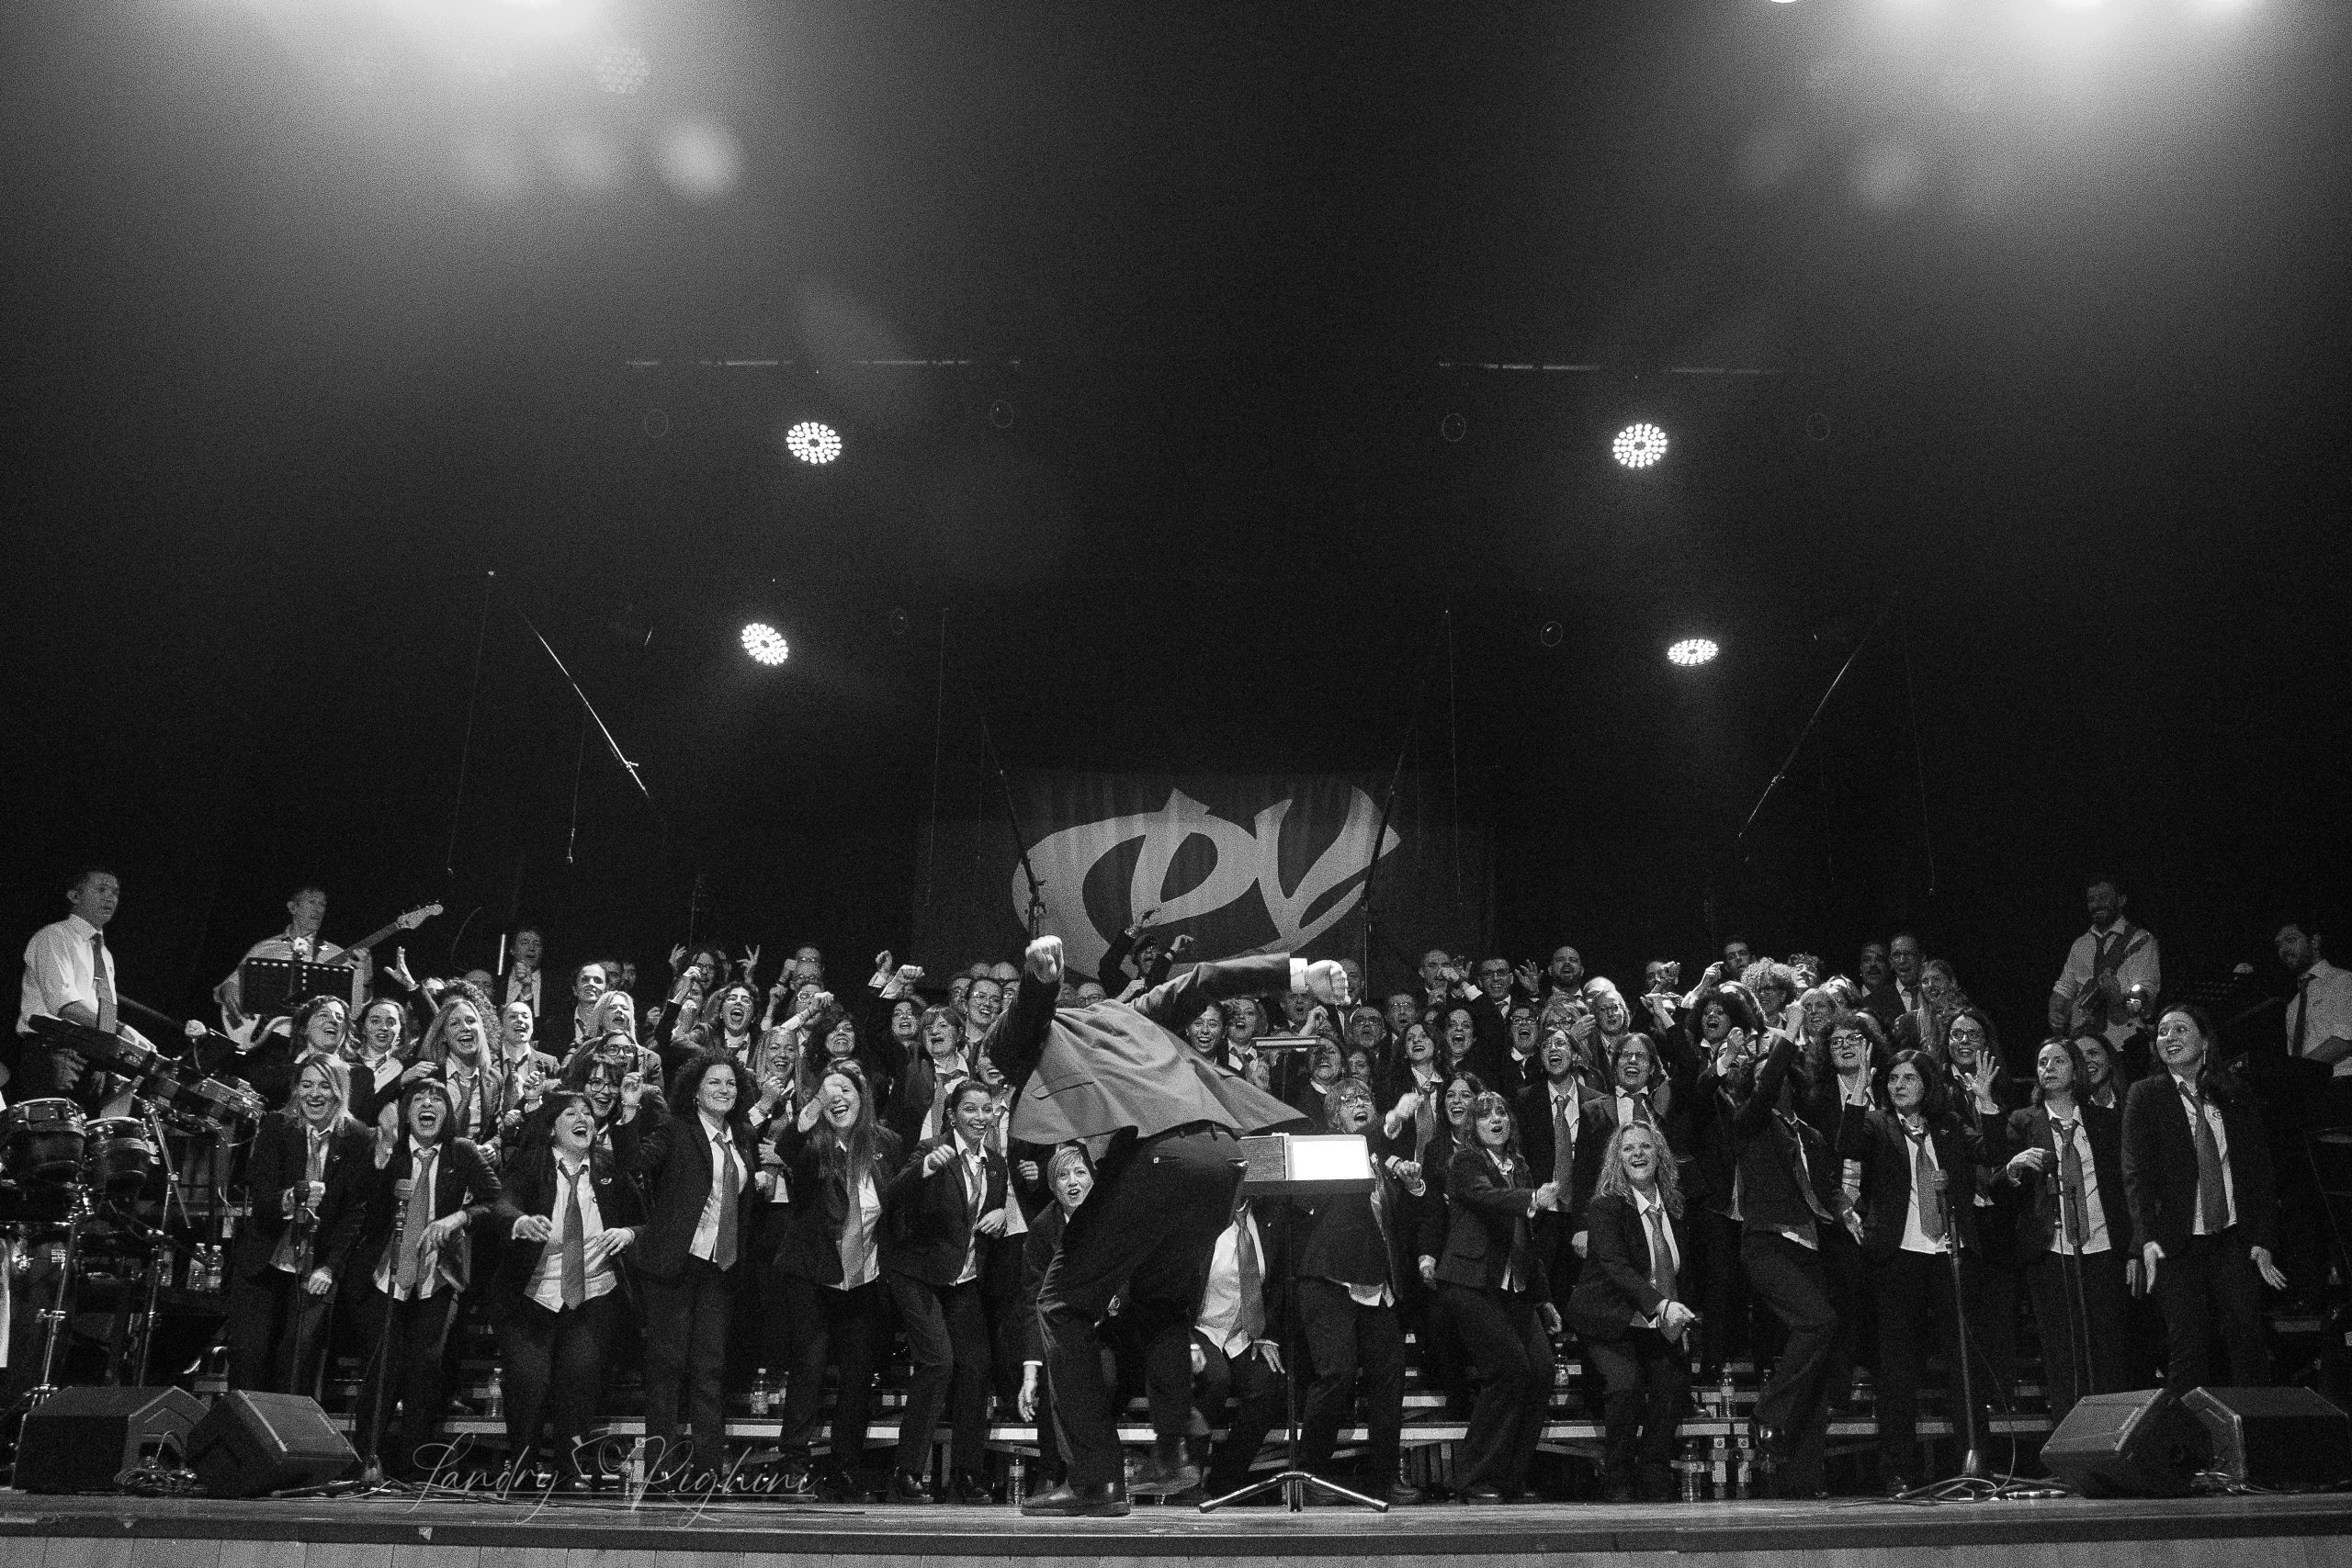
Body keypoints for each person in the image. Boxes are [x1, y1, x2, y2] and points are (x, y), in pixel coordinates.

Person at [979, 935, 1341, 1517]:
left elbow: (1015, 1028)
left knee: (1061, 1305)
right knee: (1162, 1303)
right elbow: (1204, 978)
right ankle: (1174, 1452)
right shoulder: (1129, 1014)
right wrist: (1298, 973)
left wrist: (1039, 980)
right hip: (1223, 1159)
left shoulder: (1042, 1030)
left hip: (1159, 1158)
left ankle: (1095, 1480)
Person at [1843, 1048, 2004, 1495]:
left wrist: (1986, 1103)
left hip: (1950, 1253)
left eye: (1908, 1078)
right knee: (1898, 1366)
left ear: (1927, 1084)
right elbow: (1849, 1147)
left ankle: (1974, 1462)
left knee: (1963, 1361)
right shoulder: (1877, 1124)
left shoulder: (1948, 1125)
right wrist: (1856, 1096)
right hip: (1899, 1256)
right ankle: (1898, 1468)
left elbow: (1992, 1151)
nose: (1898, 1085)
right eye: (1893, 1078)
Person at [611, 1050, 761, 1486]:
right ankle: (661, 1469)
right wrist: (629, 1112)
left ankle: (708, 1470)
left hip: (720, 1267)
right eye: (714, 1082)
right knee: (667, 1367)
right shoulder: (676, 1129)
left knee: (710, 1368)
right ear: (695, 1091)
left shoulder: (741, 1135)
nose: (723, 1089)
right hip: (674, 1265)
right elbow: (634, 1163)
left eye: (730, 1083)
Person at [2122, 1002, 2284, 1390]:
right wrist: (2146, 1239)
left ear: (2205, 1041)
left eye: (2180, 1029)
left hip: (2232, 1239)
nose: (2169, 1038)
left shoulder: (2234, 1093)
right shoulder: (2145, 1094)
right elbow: (2136, 1174)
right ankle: (2184, 1429)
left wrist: (2263, 1238)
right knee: (2188, 1346)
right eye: (2163, 1032)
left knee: (2247, 1337)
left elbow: (2259, 1172)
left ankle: (2251, 1424)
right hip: (2176, 1243)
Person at [351, 1077, 503, 1482]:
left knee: (424, 1372)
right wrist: (377, 1166)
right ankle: (365, 1463)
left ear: (448, 1113)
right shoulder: (391, 1152)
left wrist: (457, 1218)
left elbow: (495, 1201)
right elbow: (364, 1211)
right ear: (407, 1112)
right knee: (381, 1371)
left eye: (437, 1099)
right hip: (387, 1277)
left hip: (438, 1276)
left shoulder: (461, 1151)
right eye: (418, 1098)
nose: (428, 1104)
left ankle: (412, 1472)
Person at [490, 1088, 643, 1487]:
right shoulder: (531, 1164)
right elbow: (501, 1204)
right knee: (529, 1383)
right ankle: (521, 1470)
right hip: (531, 1297)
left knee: (580, 1385)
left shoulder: (609, 1168)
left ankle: (569, 1470)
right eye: (571, 1113)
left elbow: (647, 1220)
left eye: (588, 1113)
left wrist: (628, 1233)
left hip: (593, 1295)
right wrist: (520, 1222)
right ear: (551, 1129)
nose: (583, 1119)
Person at [1289, 1077, 1426, 1505]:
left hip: (1376, 1284)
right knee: (1337, 1374)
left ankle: (1383, 1479)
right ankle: (1310, 1475)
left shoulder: (1381, 1160)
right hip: (1329, 1279)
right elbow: (1365, 1142)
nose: (1358, 1103)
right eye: (1347, 1100)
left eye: (1364, 1097)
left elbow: (1399, 1225)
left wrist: (1411, 1186)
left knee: (1390, 1376)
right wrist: (1394, 1116)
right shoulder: (1326, 1147)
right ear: (1333, 1116)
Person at [882, 1077, 1016, 1504]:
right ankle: (906, 1472)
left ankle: (966, 1474)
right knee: (938, 1362)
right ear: (953, 1115)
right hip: (918, 1274)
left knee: (976, 1365)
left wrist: (999, 1215)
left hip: (963, 1279)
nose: (980, 1117)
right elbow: (893, 1194)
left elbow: (981, 1217)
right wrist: (926, 1168)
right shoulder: (931, 1149)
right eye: (970, 1109)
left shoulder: (996, 1164)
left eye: (987, 1109)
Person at [772, 1059, 901, 1500]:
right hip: (812, 1274)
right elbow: (789, 1153)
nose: (837, 1098)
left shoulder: (885, 1144)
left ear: (862, 1097)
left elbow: (897, 1204)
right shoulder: (811, 1146)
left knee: (859, 1373)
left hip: (864, 1276)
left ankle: (846, 1465)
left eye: (845, 1089)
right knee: (809, 1366)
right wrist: (804, 1119)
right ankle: (794, 1461)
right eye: (828, 1092)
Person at [1435, 1090, 1559, 1502]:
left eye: (1502, 1113)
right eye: (1486, 1115)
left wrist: (1544, 1299)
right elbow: (1485, 1197)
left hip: (1515, 1288)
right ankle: (1474, 1478)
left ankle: (1510, 1477)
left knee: (1541, 1371)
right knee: (1509, 1370)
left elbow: (1527, 1239)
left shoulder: (1519, 1165)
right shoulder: (1466, 1162)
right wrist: (1531, 1198)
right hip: (1469, 1283)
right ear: (1473, 1125)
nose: (1496, 1120)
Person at [2005, 1037, 2134, 1425]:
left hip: (2103, 1246)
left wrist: (2134, 1246)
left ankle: (2110, 1436)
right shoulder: (2023, 1121)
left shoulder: (2105, 1121)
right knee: (2062, 1353)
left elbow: (2126, 1186)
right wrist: (2012, 1169)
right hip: (2052, 1249)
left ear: (2076, 1069)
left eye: (2058, 1061)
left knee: (2109, 1348)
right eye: (2042, 1062)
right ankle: (2069, 1439)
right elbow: (1995, 1179)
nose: (2048, 1068)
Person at [227, 1055, 374, 1398]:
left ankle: (287, 1432)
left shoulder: (357, 1137)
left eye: (324, 1085)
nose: (314, 1094)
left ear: (340, 1091)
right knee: (250, 1359)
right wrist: (290, 1199)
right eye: (306, 1085)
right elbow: (259, 1192)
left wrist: (330, 1266)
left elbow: (356, 1213)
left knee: (295, 1363)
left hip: (314, 1269)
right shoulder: (277, 1126)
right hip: (264, 1262)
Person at [1567, 1122, 1698, 1503]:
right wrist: (1662, 1306)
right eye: (1628, 1149)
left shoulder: (1675, 1207)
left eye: (1645, 1146)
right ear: (1617, 1160)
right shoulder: (1605, 1207)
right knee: (1625, 1386)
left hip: (1655, 1321)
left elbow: (1682, 1269)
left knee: (1672, 1385)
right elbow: (1617, 1268)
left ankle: (1654, 1474)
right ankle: (1618, 1479)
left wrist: (1681, 1315)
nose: (1637, 1154)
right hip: (1609, 1318)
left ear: (1660, 1155)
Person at [15, 864, 152, 1103]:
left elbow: (103, 1010)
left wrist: (120, 1051)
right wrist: (121, 1030)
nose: (110, 897)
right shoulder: (54, 936)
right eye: (101, 889)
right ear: (74, 896)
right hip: (57, 1050)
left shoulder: (105, 954)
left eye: (115, 892)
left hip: (94, 1056)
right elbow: (63, 1004)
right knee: (56, 1126)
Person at [1184, 1190, 1289, 1502]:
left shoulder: (1269, 1219)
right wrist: (1185, 1340)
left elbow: (1279, 1282)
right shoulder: (1198, 1219)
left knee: (1269, 1384)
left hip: (1244, 1333)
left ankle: (1223, 1484)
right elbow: (1174, 1285)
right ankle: (1188, 1483)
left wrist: (1268, 1334)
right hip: (1200, 1328)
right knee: (1214, 1380)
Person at [1015, 1145, 1093, 1496]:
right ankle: (1050, 1472)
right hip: (1058, 1333)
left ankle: (1091, 1477)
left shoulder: (1111, 1221)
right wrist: (1029, 1372)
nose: (1072, 1182)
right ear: (1052, 1185)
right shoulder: (1043, 1228)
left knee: (1098, 1376)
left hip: (1106, 1331)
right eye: (1063, 1176)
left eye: (1080, 1173)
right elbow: (1033, 1301)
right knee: (1053, 1373)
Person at [2049, 874, 2161, 1055]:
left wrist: (2118, 999)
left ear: (2121, 900)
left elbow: (2146, 997)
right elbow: (2063, 988)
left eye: (2103, 898)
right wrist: (2055, 1014)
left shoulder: (2141, 940)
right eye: (2091, 900)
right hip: (2082, 1042)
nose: (2096, 904)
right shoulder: (2080, 944)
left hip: (2125, 1043)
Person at [2278, 916, 2352, 1122]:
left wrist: (2296, 1072)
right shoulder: (2293, 1004)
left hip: (2343, 1084)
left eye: (2291, 940)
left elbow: (2345, 1039)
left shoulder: (2344, 981)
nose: (2284, 949)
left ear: (2315, 941)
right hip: (2310, 1094)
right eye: (2279, 945)